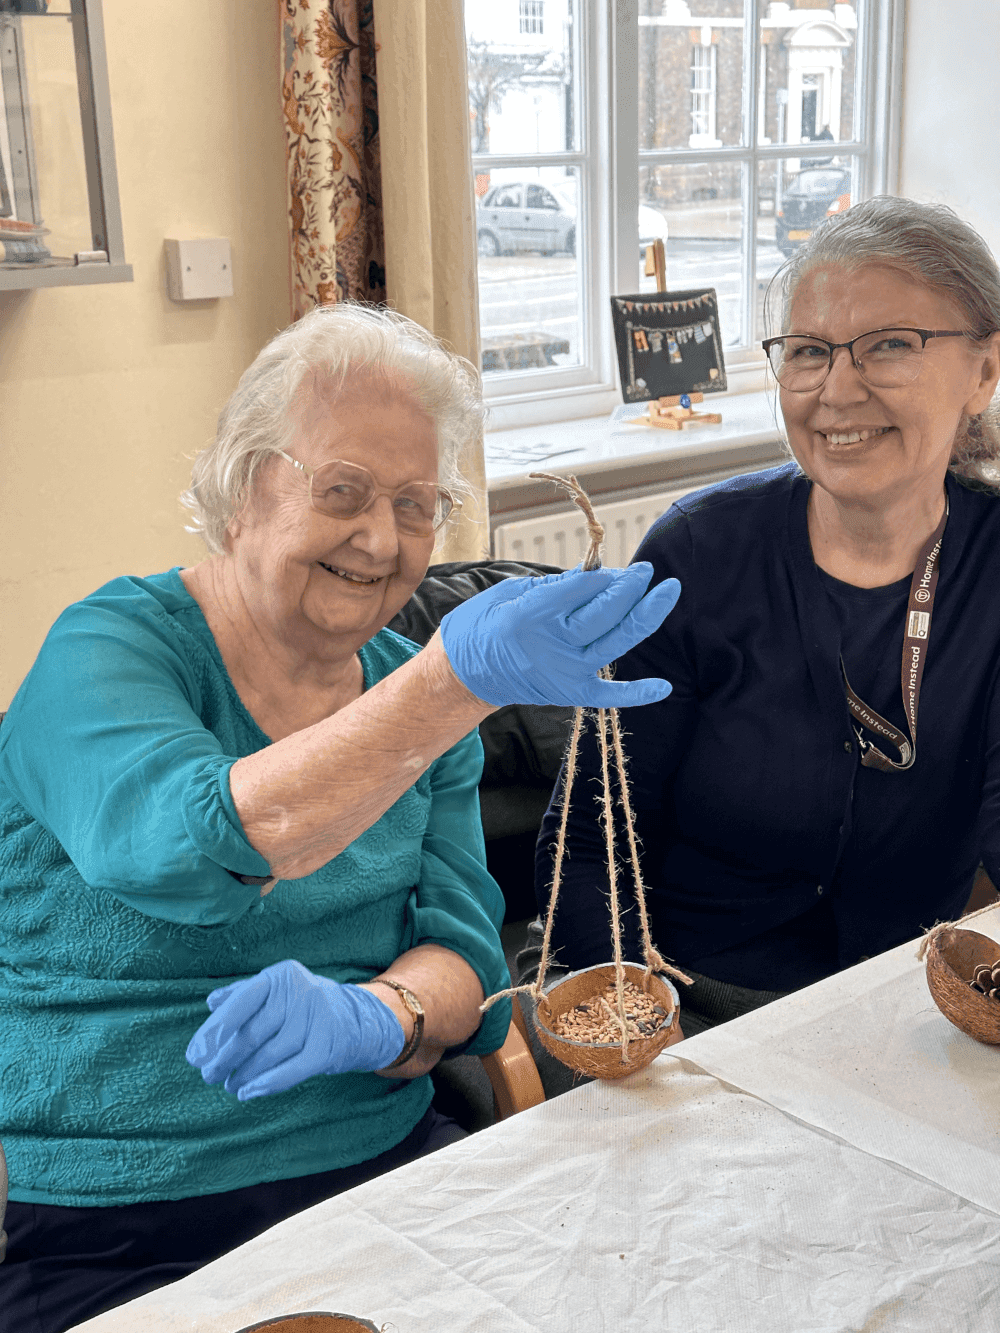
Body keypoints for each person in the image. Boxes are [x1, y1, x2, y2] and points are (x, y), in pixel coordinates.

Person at [0, 302, 681, 1333]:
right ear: (242, 486)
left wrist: (378, 1019)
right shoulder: (108, 651)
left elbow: (463, 959)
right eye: (345, 492)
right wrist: (445, 692)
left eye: (417, 504)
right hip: (119, 1221)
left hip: (382, 1173)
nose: (381, 539)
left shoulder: (414, 690)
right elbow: (181, 845)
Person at [520, 196, 1000, 1091]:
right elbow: (587, 842)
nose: (837, 389)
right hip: (687, 1022)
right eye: (810, 351)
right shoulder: (698, 553)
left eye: (889, 343)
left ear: (983, 369)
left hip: (899, 1019)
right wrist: (642, 1028)